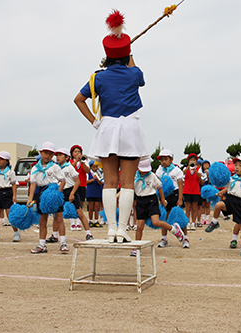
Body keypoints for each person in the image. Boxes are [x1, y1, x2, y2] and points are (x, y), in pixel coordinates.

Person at [74, 10, 149, 243]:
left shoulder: (98, 77)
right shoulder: (134, 73)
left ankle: (110, 230)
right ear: (126, 55)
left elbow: (78, 99)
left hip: (107, 127)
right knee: (127, 183)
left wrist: (94, 121)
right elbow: (139, 76)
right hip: (130, 128)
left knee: (109, 182)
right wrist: (128, 51)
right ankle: (122, 231)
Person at [205, 155, 241, 257]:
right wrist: (222, 191)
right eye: (236, 165)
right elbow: (228, 187)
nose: (237, 167)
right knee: (218, 205)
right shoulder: (231, 179)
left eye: (240, 165)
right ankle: (214, 222)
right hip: (230, 200)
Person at [132, 159, 184, 255]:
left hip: (151, 200)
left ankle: (173, 229)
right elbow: (129, 187)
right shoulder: (134, 176)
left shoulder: (152, 176)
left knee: (156, 222)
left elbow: (159, 188)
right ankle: (137, 248)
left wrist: (163, 200)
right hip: (140, 201)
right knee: (139, 226)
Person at [27, 142, 67, 254]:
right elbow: (33, 184)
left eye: (50, 154)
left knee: (59, 218)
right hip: (41, 193)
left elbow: (63, 181)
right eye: (45, 153)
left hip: (53, 191)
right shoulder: (35, 168)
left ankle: (63, 243)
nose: (47, 155)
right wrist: (30, 199)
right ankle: (42, 245)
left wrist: (58, 194)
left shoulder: (55, 167)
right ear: (41, 152)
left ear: (53, 155)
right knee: (42, 220)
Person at [56, 148, 94, 241]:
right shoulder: (56, 168)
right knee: (57, 215)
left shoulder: (69, 167)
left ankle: (88, 233)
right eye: (57, 155)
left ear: (66, 157)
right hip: (61, 191)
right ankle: (54, 235)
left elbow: (78, 181)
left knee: (80, 212)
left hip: (71, 189)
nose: (58, 157)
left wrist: (72, 193)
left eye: (60, 155)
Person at [155, 149, 185, 248]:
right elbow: (158, 185)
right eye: (161, 159)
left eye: (166, 159)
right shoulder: (159, 171)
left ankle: (185, 238)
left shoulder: (176, 170)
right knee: (164, 217)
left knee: (179, 217)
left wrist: (180, 199)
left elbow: (180, 186)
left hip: (175, 195)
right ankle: (164, 239)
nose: (163, 161)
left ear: (171, 159)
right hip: (164, 196)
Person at [0, 151, 21, 242]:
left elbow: (14, 184)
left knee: (10, 215)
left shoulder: (10, 172)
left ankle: (16, 233)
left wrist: (14, 196)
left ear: (7, 161)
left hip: (7, 192)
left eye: (1, 159)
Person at [182, 153, 204, 232]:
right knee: (187, 208)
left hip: (195, 190)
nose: (192, 161)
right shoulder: (186, 168)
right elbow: (182, 174)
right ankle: (187, 222)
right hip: (187, 190)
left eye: (194, 160)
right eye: (191, 160)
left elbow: (200, 176)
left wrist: (194, 169)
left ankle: (193, 222)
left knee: (194, 208)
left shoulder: (198, 168)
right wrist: (188, 167)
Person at [86, 160, 103, 228]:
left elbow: (101, 183)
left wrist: (98, 180)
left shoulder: (99, 173)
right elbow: (86, 181)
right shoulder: (88, 173)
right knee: (90, 207)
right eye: (94, 167)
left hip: (97, 191)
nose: (95, 168)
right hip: (90, 191)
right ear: (90, 167)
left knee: (97, 207)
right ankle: (90, 220)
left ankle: (96, 221)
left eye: (96, 167)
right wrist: (93, 179)